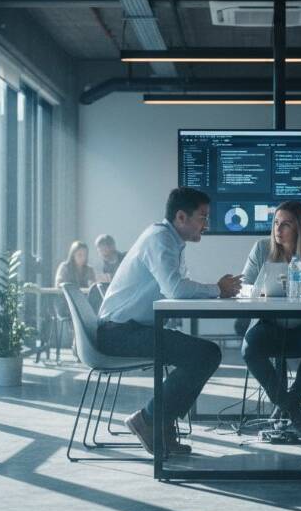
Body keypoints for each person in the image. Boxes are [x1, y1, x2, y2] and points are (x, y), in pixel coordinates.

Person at [96, 187, 243, 456]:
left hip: (131, 328)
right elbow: (176, 289)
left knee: (204, 354)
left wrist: (213, 289)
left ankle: (157, 424)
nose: (206, 225)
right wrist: (217, 289)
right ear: (180, 217)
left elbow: (176, 288)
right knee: (205, 354)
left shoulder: (170, 240)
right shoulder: (160, 239)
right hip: (118, 333)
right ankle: (149, 420)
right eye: (202, 217)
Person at [240, 201, 301, 435]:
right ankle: (291, 407)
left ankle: (288, 403)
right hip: (271, 325)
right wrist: (260, 291)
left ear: (299, 228)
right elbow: (245, 286)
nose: (278, 230)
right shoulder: (261, 248)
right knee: (250, 347)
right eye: (275, 223)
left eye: (286, 224)